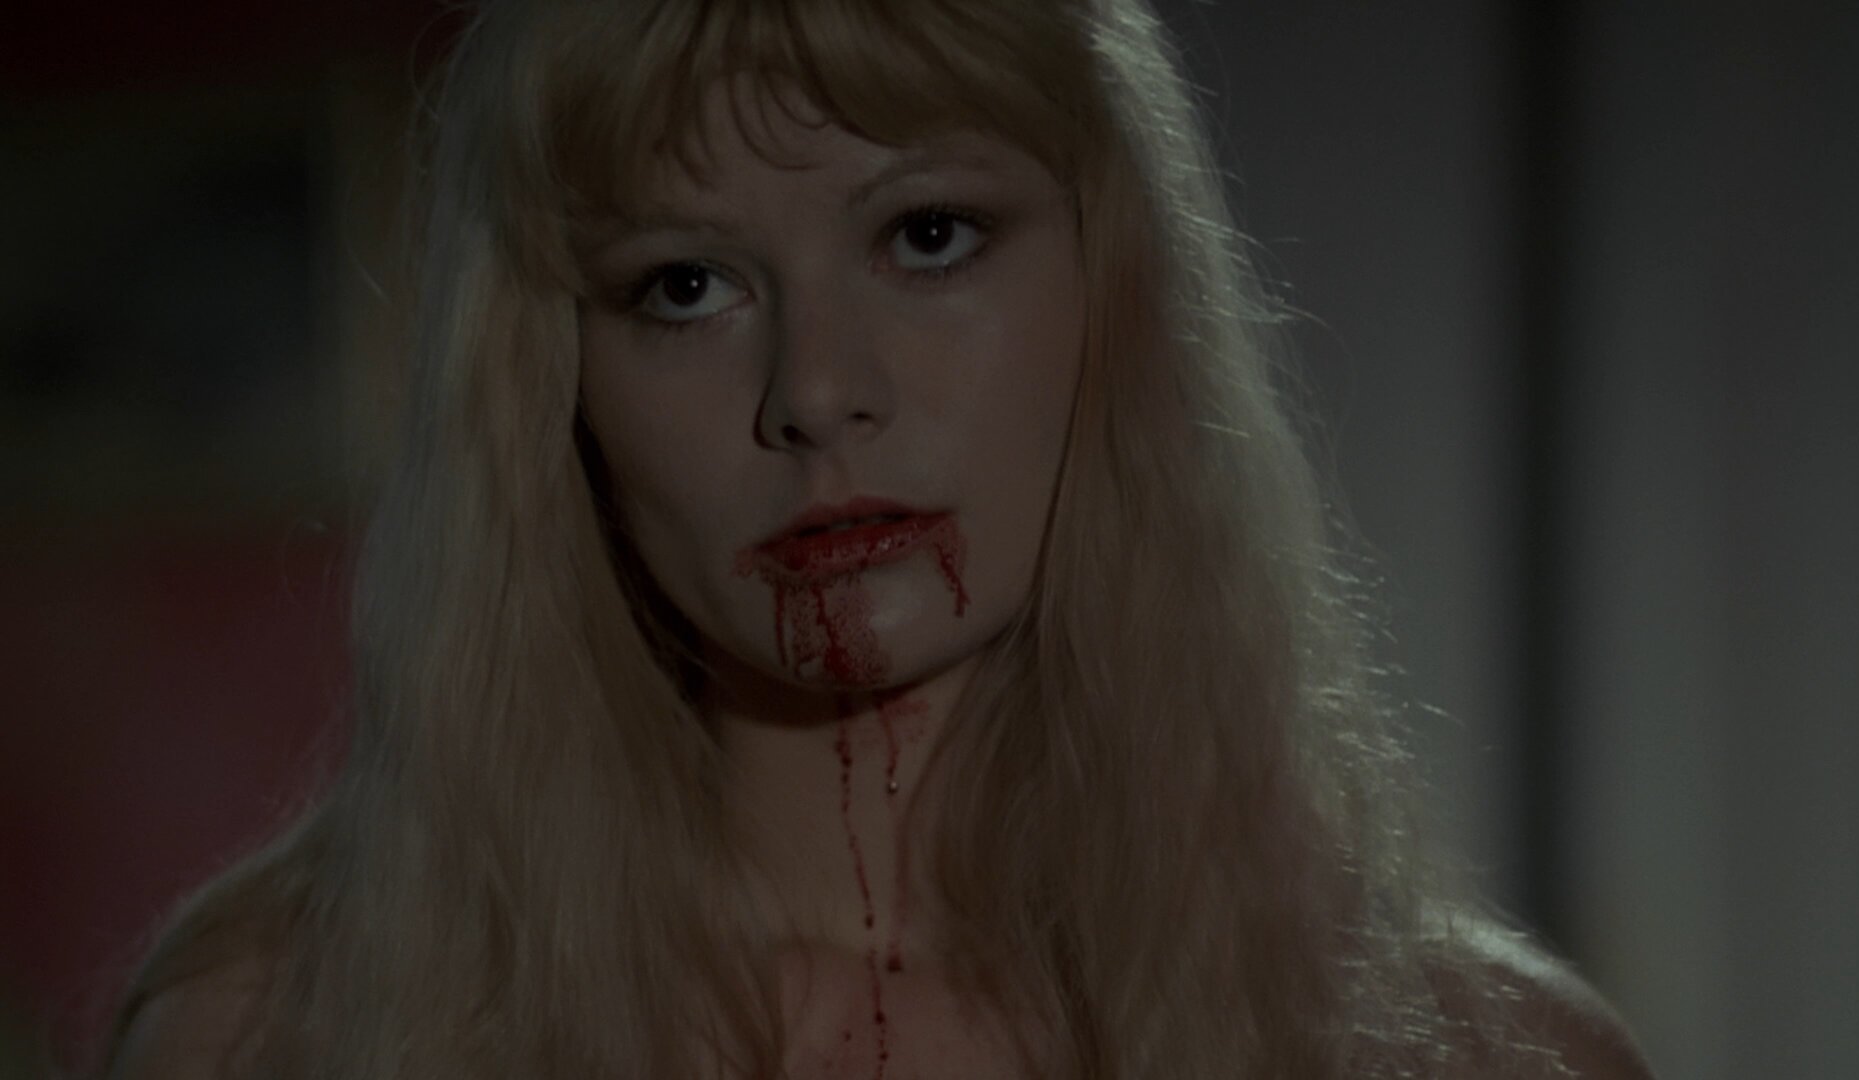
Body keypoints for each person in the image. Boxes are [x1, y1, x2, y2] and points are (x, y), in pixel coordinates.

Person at [100, 0, 1654, 1077]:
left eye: (928, 236)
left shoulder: (1478, 1059)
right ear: (551, 384)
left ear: (1118, 293)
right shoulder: (281, 1037)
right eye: (685, 288)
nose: (815, 392)